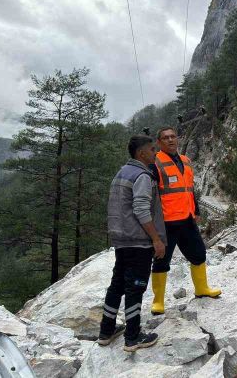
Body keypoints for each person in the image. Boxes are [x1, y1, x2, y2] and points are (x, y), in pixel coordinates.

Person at [97, 135, 167, 351]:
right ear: (141, 153)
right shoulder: (142, 176)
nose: (155, 153)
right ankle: (133, 336)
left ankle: (106, 331)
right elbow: (141, 209)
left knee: (117, 284)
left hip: (121, 239)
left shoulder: (122, 173)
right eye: (152, 149)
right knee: (135, 287)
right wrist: (156, 238)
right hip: (138, 241)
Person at [150, 126, 220, 316]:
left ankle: (202, 288)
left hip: (187, 218)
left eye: (173, 136)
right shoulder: (154, 163)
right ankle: (158, 301)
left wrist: (196, 209)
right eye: (165, 138)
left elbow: (189, 189)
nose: (171, 140)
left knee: (198, 254)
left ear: (178, 139)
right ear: (159, 142)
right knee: (161, 260)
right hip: (166, 221)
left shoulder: (186, 162)